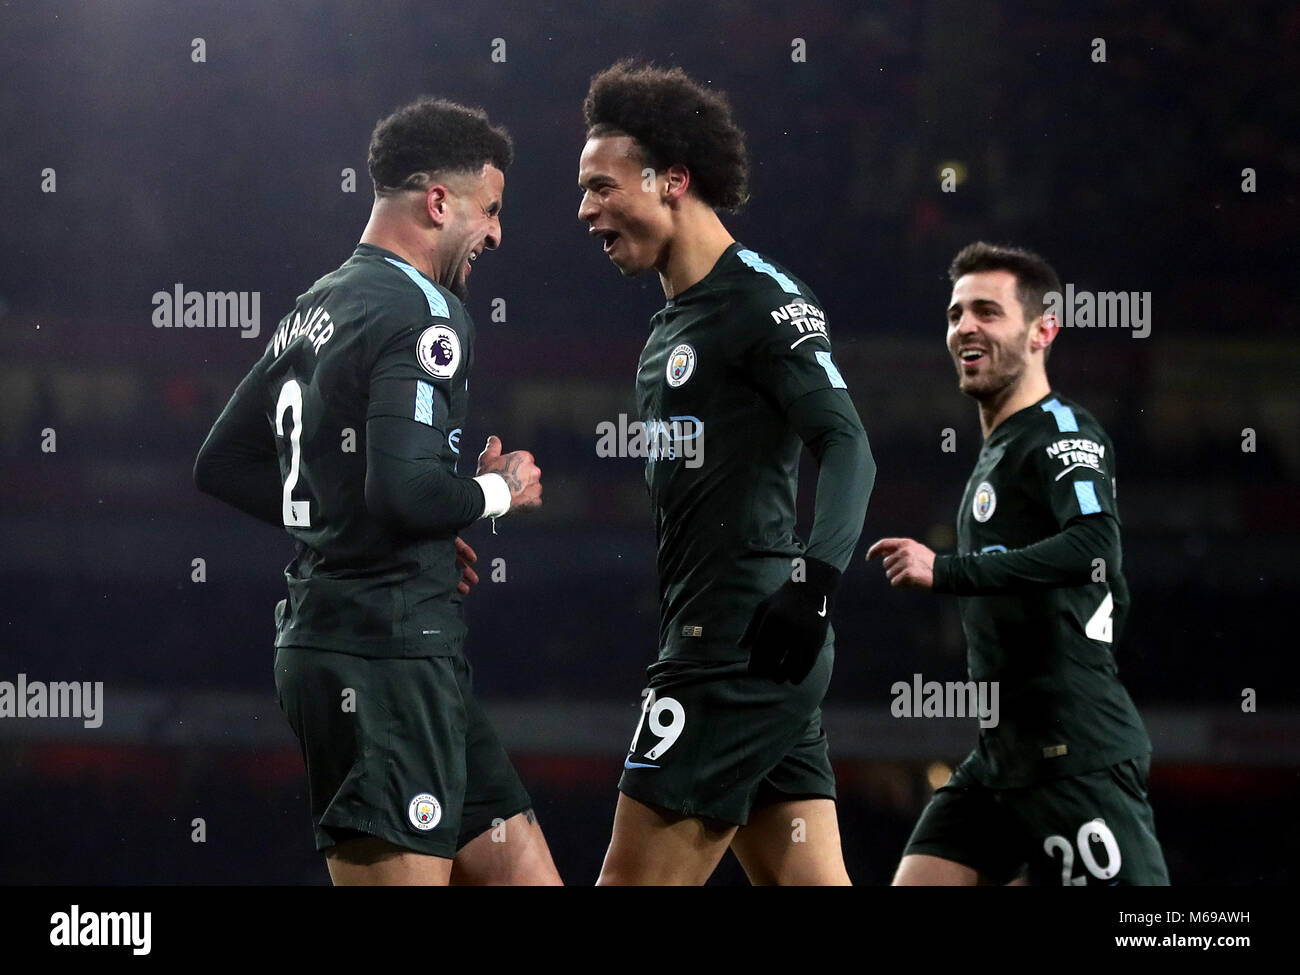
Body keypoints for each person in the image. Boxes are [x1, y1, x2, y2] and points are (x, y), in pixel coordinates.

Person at [194, 97, 560, 886]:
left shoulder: (315, 306)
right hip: (382, 659)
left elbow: (222, 464)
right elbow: (402, 490)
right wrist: (495, 491)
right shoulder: (424, 310)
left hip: (396, 649)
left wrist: (382, 522)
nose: (496, 233)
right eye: (489, 211)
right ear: (438, 202)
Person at [577, 60, 876, 885]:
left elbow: (848, 444)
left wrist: (815, 582)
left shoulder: (762, 300)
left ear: (672, 179)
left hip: (733, 647)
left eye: (602, 187)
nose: (586, 210)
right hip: (730, 643)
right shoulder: (668, 328)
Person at [867, 241, 1168, 886]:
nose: (964, 327)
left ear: (1043, 330)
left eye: (986, 311)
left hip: (1071, 750)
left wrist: (945, 571)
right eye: (954, 314)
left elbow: (1095, 548)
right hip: (1003, 756)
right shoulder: (1000, 448)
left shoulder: (1061, 432)